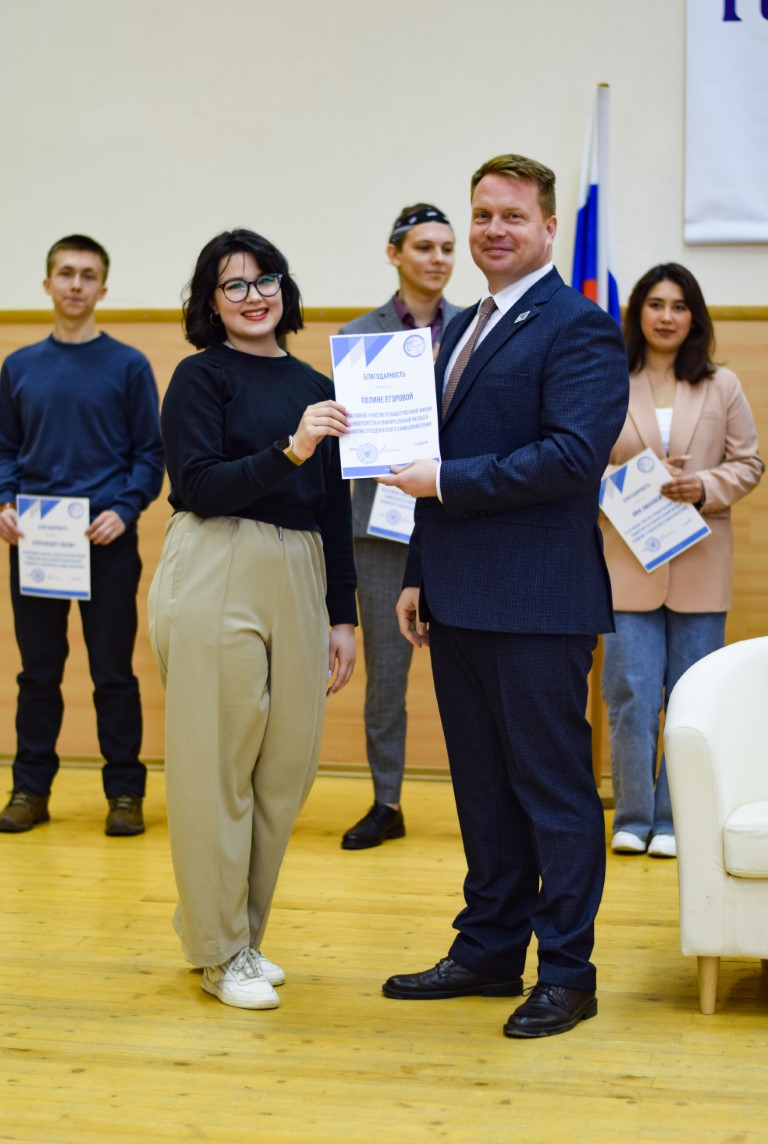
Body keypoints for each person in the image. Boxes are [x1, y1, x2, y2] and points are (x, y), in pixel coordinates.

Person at [375, 154, 628, 1039]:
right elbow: (429, 458)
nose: (492, 230)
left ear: (549, 228)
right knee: (482, 792)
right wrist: (418, 572)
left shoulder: (580, 327)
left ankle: (567, 972)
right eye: (482, 214)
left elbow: (570, 459)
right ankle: (487, 951)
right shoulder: (460, 328)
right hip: (457, 597)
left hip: (538, 603)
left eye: (512, 216)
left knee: (553, 794)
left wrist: (444, 482)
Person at [147, 229, 357, 1011]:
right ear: (210, 301)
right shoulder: (199, 377)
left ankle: (236, 931)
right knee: (216, 766)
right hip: (217, 559)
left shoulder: (316, 383)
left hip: (300, 568)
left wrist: (343, 616)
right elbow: (200, 484)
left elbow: (335, 510)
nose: (253, 295)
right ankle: (219, 948)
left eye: (265, 278)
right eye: (233, 285)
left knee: (285, 768)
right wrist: (291, 449)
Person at [0, 235, 164, 837]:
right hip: (37, 541)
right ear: (47, 284)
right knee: (37, 674)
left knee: (113, 673)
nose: (75, 284)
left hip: (106, 541)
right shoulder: (18, 367)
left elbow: (150, 455)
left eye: (87, 275)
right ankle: (29, 790)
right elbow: (5, 449)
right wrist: (4, 501)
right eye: (66, 273)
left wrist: (125, 508)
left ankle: (124, 793)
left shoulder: (129, 365)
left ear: (103, 288)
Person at [602, 263, 763, 859]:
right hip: (628, 562)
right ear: (638, 312)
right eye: (656, 304)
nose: (666, 316)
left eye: (678, 306)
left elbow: (749, 463)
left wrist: (702, 486)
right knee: (631, 695)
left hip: (700, 564)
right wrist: (632, 478)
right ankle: (633, 816)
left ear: (694, 316)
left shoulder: (723, 384)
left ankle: (675, 822)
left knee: (692, 699)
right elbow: (577, 460)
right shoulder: (608, 379)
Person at [338, 204, 461, 850]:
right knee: (386, 677)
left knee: (476, 672)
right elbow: (350, 440)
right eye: (423, 247)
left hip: (460, 519)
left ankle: (491, 804)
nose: (438, 259)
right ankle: (387, 800)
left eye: (447, 248)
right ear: (394, 254)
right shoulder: (359, 337)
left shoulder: (476, 328)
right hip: (382, 529)